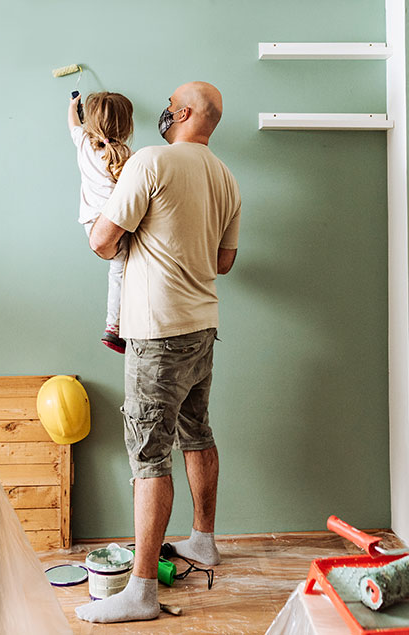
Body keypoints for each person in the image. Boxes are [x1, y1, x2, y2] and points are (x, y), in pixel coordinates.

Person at [75, 81, 241, 624]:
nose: (164, 112)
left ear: (187, 113)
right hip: (201, 328)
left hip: (158, 334)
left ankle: (141, 590)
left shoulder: (151, 161)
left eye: (171, 104)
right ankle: (203, 541)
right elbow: (224, 262)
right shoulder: (227, 178)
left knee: (148, 456)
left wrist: (129, 235)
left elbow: (102, 242)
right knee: (197, 433)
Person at [66, 91, 135, 353]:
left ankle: (114, 326)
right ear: (127, 127)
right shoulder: (130, 157)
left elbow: (73, 124)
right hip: (116, 224)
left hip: (91, 224)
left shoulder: (84, 144)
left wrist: (73, 105)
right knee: (121, 273)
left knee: (119, 271)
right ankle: (114, 327)